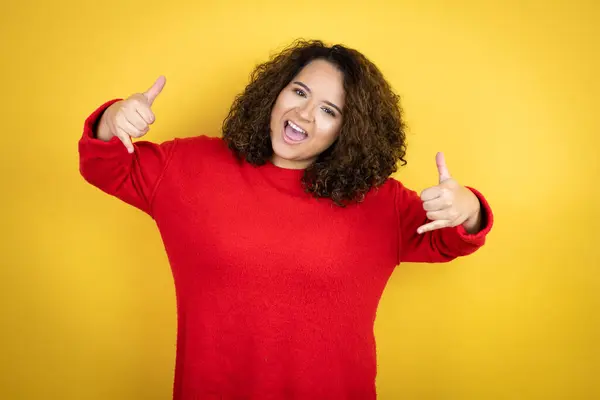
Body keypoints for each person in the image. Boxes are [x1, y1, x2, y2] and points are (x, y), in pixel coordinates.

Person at [78, 39, 493, 399]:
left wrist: (467, 207)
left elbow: (450, 239)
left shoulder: (380, 202)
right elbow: (106, 166)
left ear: (348, 130)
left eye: (330, 110)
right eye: (299, 92)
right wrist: (114, 119)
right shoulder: (188, 166)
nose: (306, 114)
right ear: (274, 94)